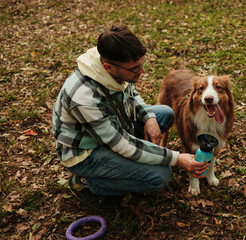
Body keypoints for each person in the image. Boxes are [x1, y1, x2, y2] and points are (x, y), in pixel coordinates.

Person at [52, 25, 209, 210]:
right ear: (108, 67)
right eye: (135, 68)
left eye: (142, 63)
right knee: (159, 175)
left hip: (116, 129)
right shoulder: (84, 99)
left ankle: (132, 165)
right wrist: (177, 158)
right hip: (87, 153)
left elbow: (132, 95)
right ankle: (87, 182)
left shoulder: (111, 66)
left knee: (164, 114)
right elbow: (122, 145)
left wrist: (150, 118)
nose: (142, 71)